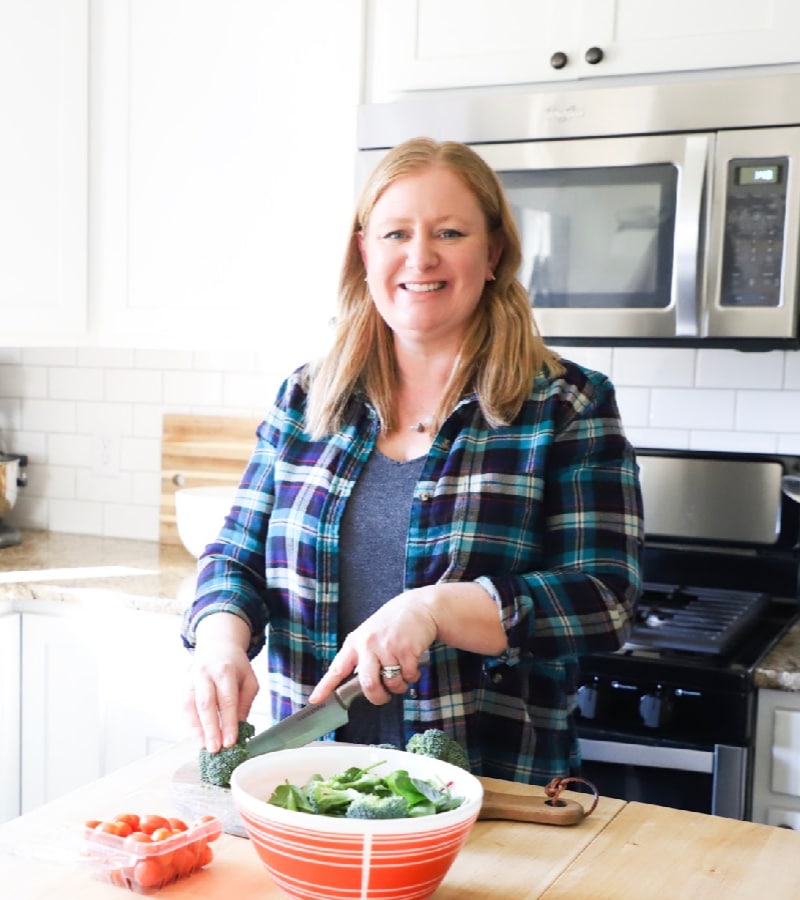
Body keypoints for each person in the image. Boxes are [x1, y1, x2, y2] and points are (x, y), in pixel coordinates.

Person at [181, 137, 644, 784]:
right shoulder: (308, 399)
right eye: (396, 232)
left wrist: (434, 611)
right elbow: (234, 557)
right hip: (306, 789)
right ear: (365, 251)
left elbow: (603, 599)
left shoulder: (565, 406)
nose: (420, 256)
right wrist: (220, 645)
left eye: (449, 232)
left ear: (494, 254)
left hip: (490, 788)